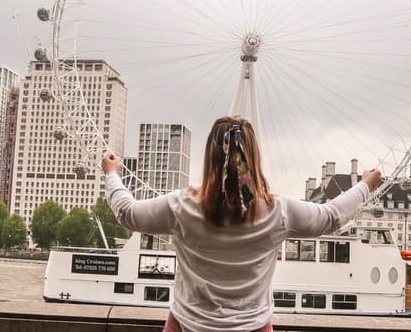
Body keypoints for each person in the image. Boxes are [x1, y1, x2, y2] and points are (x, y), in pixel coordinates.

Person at [103, 115, 382, 332]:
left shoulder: (182, 206)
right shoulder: (277, 211)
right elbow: (331, 217)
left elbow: (127, 213)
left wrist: (112, 173)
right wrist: (365, 185)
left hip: (187, 324)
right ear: (254, 157)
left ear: (209, 157)